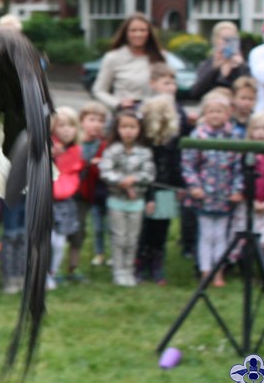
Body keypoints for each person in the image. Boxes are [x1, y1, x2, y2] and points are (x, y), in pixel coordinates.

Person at [182, 92, 244, 287]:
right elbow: (188, 164)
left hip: (225, 194)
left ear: (227, 114)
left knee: (221, 235)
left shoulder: (235, 136)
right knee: (206, 234)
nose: (215, 115)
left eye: (219, 111)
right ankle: (205, 271)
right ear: (205, 114)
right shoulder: (197, 135)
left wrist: (237, 189)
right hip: (204, 194)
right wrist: (194, 186)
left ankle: (218, 271)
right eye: (211, 111)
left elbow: (239, 167)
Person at [136, 65, 191, 285]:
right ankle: (141, 261)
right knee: (146, 224)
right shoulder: (145, 110)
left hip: (169, 180)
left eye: (173, 83)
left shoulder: (180, 112)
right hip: (148, 179)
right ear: (153, 84)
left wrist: (180, 184)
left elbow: (179, 153)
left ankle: (157, 263)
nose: (171, 87)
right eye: (166, 83)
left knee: (162, 223)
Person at [99, 109, 155, 287]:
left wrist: (134, 179)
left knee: (132, 238)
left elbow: (149, 174)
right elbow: (105, 172)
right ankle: (118, 271)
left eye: (132, 127)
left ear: (139, 129)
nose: (128, 131)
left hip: (136, 202)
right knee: (119, 237)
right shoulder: (111, 150)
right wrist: (122, 182)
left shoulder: (145, 152)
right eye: (124, 127)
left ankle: (129, 270)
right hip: (117, 201)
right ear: (117, 129)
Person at [228, 113, 264, 270]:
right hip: (248, 203)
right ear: (250, 132)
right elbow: (244, 177)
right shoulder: (247, 153)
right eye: (257, 128)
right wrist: (251, 200)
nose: (261, 132)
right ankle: (243, 267)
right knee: (243, 234)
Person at [91, 13, 166, 111]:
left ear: (149, 33)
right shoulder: (113, 57)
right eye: (133, 30)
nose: (138, 34)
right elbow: (98, 90)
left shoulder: (159, 57)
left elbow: (167, 88)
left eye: (143, 30)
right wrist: (118, 104)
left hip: (153, 114)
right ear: (126, 33)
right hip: (126, 115)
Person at [49, 107, 83, 290]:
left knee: (60, 243)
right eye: (61, 125)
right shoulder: (46, 148)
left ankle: (52, 273)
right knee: (48, 241)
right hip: (47, 202)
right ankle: (40, 273)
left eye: (71, 125)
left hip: (65, 202)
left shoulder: (76, 151)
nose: (66, 130)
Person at [71, 102, 107, 271]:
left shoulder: (103, 145)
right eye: (92, 120)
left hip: (87, 194)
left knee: (81, 229)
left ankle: (73, 267)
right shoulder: (74, 142)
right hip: (67, 192)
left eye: (101, 121)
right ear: (82, 121)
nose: (97, 124)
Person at [191, 21, 250, 100]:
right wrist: (215, 69)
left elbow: (248, 90)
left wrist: (241, 65)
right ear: (215, 40)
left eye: (231, 38)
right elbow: (196, 92)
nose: (227, 42)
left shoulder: (241, 65)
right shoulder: (208, 64)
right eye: (224, 38)